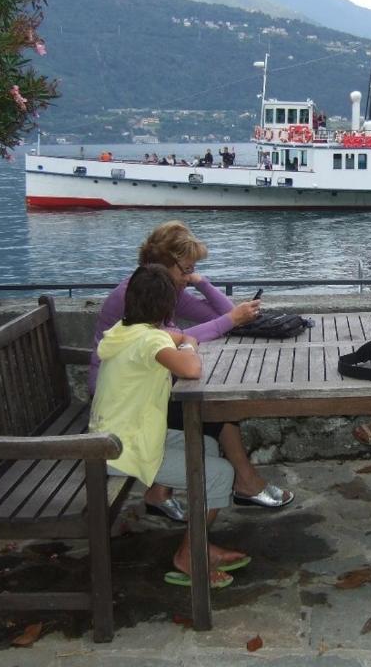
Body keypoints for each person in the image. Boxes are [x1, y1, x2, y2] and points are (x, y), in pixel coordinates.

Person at [89, 221, 294, 519]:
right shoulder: (137, 295)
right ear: (164, 265)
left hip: (142, 387)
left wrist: (201, 282)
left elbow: (223, 314)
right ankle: (245, 483)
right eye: (186, 269)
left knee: (208, 415)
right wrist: (203, 332)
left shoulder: (165, 289)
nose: (188, 275)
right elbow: (178, 339)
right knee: (215, 414)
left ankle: (161, 494)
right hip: (123, 397)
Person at [90, 264, 248, 589]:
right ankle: (188, 556)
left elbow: (168, 337)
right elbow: (190, 368)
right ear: (166, 307)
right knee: (220, 473)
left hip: (115, 436)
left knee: (204, 444)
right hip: (120, 448)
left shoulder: (125, 330)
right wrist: (188, 342)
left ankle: (197, 543)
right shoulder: (149, 342)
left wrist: (179, 337)